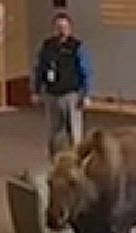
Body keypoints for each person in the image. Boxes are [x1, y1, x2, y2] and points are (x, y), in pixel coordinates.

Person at [32, 11, 92, 155]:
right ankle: (54, 159)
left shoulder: (77, 47)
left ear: (70, 28)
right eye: (59, 27)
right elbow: (40, 68)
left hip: (71, 94)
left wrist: (86, 94)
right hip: (52, 94)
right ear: (54, 28)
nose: (61, 30)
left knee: (75, 132)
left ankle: (77, 159)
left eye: (64, 27)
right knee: (53, 131)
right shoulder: (47, 46)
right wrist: (36, 90)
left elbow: (86, 71)